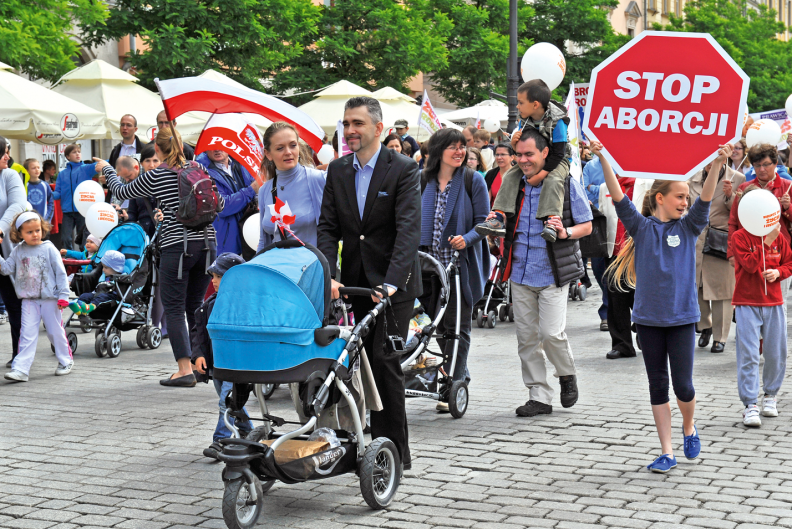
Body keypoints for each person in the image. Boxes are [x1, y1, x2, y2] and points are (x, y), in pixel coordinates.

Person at [594, 140, 726, 473]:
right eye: (680, 196)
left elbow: (707, 197)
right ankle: (666, 451)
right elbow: (618, 197)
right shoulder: (642, 227)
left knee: (683, 386)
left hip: (682, 319)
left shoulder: (689, 226)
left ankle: (688, 425)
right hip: (649, 321)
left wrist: (717, 165)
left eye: (687, 197)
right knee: (657, 385)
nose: (686, 201)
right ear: (660, 199)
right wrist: (602, 157)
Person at [317, 96, 421, 471]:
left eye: (357, 123)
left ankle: (394, 455)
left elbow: (408, 230)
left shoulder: (403, 169)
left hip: (395, 285)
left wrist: (392, 282)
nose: (349, 131)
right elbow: (328, 226)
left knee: (383, 360)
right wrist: (330, 273)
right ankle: (361, 442)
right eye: (345, 123)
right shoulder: (339, 170)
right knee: (358, 365)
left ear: (379, 128)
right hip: (357, 283)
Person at [96, 127, 223, 388]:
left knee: (174, 307)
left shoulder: (157, 175)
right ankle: (202, 364)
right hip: (208, 244)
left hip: (178, 247)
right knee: (195, 305)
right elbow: (218, 203)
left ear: (160, 151)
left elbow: (121, 191)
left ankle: (184, 370)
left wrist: (108, 169)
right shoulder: (200, 169)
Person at [499, 127, 592, 418]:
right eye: (519, 154)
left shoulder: (564, 183)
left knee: (551, 333)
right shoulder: (514, 185)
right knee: (526, 338)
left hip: (552, 272)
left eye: (529, 154)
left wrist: (565, 232)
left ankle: (566, 374)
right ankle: (539, 395)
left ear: (544, 153)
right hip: (520, 272)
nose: (523, 160)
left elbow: (587, 226)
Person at [419, 128, 488, 411]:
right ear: (438, 151)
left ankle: (451, 386)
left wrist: (466, 239)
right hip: (428, 268)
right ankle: (460, 374)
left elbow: (486, 223)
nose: (460, 151)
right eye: (453, 147)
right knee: (437, 327)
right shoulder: (421, 180)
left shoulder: (473, 181)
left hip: (460, 266)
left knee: (458, 327)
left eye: (463, 146)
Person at [476, 79, 571, 243]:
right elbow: (520, 151)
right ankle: (498, 217)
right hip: (532, 158)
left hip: (558, 159)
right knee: (510, 175)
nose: (517, 107)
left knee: (554, 180)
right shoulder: (524, 120)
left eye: (520, 102)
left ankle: (552, 222)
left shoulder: (558, 121)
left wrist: (541, 175)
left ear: (535, 105)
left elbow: (558, 153)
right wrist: (513, 144)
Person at [731, 197, 791, 427]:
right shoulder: (740, 237)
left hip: (774, 303)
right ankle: (749, 404)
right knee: (748, 354)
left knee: (776, 352)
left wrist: (778, 273)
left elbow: (789, 263)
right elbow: (748, 265)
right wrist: (766, 243)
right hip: (747, 302)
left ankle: (770, 396)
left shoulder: (780, 237)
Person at [192, 253, 253, 459]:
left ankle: (220, 440)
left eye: (218, 277)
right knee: (232, 399)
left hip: (238, 362)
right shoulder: (210, 303)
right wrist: (199, 355)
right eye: (213, 276)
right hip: (218, 361)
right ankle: (246, 429)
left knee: (226, 400)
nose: (213, 281)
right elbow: (199, 332)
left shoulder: (247, 304)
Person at [2, 211, 72, 383]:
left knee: (55, 331)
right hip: (29, 300)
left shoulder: (49, 248)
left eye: (37, 230)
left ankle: (66, 361)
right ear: (19, 234)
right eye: (29, 232)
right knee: (27, 334)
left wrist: (64, 295)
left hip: (51, 299)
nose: (35, 234)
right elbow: (5, 269)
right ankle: (21, 369)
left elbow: (61, 273)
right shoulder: (18, 251)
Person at [689, 159, 745, 353]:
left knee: (722, 292)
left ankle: (720, 337)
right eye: (706, 160)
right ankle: (705, 326)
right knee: (697, 287)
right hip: (696, 242)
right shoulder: (692, 178)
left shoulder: (737, 178)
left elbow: (740, 214)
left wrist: (730, 197)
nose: (709, 164)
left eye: (714, 160)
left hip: (721, 241)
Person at [728, 144, 792, 299]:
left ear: (775, 163)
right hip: (749, 252)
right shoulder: (744, 189)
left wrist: (787, 208)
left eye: (766, 165)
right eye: (757, 166)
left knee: (778, 301)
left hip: (778, 253)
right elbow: (734, 222)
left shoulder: (788, 186)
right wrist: (731, 252)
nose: (762, 169)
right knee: (750, 299)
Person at [258, 122, 326, 249]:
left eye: (293, 145)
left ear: (298, 147)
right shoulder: (265, 190)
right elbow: (264, 241)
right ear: (268, 154)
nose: (288, 152)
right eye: (280, 148)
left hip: (312, 265)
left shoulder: (317, 179)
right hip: (278, 266)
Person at [195, 149, 259, 255]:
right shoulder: (201, 172)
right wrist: (252, 190)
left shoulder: (242, 163)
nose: (216, 149)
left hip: (251, 236)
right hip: (225, 245)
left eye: (220, 145)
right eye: (212, 146)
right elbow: (222, 206)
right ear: (206, 148)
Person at [603, 175, 637, 360]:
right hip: (614, 251)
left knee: (640, 296)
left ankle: (643, 328)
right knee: (616, 301)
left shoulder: (645, 184)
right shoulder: (604, 186)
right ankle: (622, 344)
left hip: (639, 251)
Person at [0, 136, 27, 368]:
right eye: (3, 152)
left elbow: (18, 205)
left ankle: (20, 354)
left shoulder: (8, 175)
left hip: (7, 251)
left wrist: (0, 227)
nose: (7, 156)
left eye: (7, 151)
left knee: (14, 305)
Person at [52, 143, 99, 251]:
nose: (77, 154)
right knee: (65, 239)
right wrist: (48, 194)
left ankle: (83, 263)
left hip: (83, 211)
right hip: (67, 211)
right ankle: (69, 261)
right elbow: (58, 193)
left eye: (79, 151)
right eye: (74, 152)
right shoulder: (62, 174)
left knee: (84, 240)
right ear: (68, 157)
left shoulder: (86, 169)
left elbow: (103, 164)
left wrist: (114, 158)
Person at [582, 153, 609, 331]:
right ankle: (609, 307)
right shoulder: (590, 166)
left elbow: (622, 189)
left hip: (619, 220)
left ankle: (607, 312)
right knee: (599, 268)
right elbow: (584, 190)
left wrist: (597, 188)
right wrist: (604, 190)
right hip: (598, 220)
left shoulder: (620, 164)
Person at [68, 250, 126, 315]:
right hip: (98, 293)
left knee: (101, 297)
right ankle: (79, 308)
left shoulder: (122, 278)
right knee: (84, 295)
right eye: (103, 267)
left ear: (115, 268)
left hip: (111, 296)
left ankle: (90, 307)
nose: (103, 270)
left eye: (106, 268)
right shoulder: (104, 276)